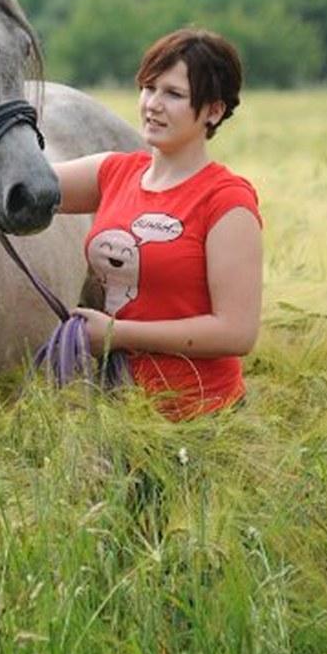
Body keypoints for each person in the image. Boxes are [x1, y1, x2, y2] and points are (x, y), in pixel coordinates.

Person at [52, 28, 263, 420]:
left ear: (214, 111)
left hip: (202, 421)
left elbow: (237, 332)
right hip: (119, 412)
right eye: (148, 88)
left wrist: (117, 334)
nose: (153, 104)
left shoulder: (226, 201)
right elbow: (27, 186)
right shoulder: (114, 172)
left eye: (173, 94)